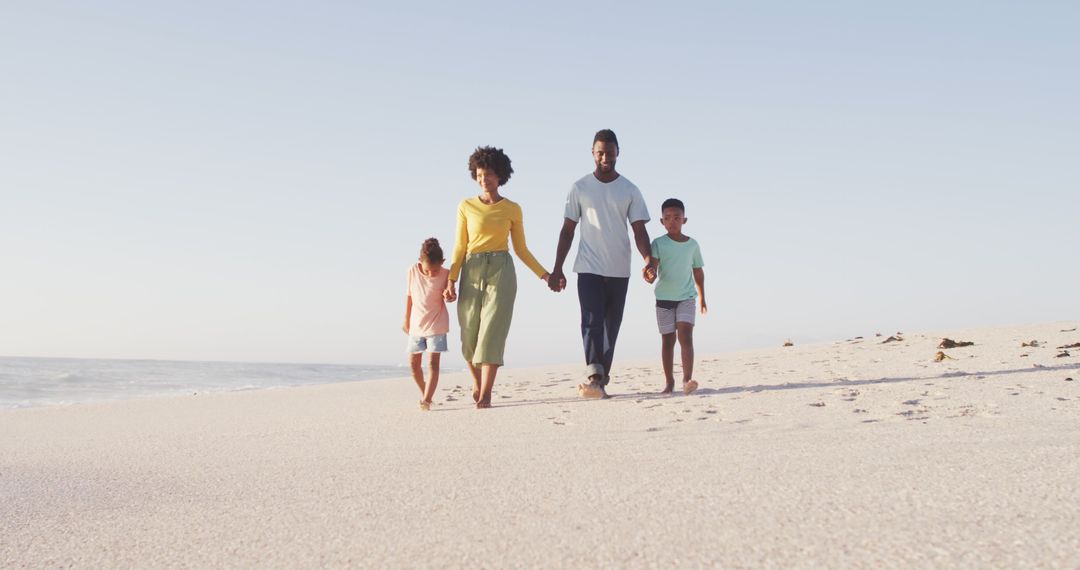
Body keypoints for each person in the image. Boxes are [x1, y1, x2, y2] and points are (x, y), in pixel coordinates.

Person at [548, 129, 654, 399]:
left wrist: (648, 259)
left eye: (609, 152)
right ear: (593, 154)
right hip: (588, 267)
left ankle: (599, 380)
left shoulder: (630, 189)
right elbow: (567, 230)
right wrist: (557, 267)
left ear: (618, 152)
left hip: (619, 269)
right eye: (600, 153)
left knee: (611, 326)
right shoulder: (580, 187)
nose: (605, 157)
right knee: (591, 321)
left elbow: (639, 231)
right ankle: (594, 376)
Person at [444, 146, 550, 409]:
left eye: (489, 174)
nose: (484, 179)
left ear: (500, 175)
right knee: (469, 334)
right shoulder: (465, 206)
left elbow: (522, 249)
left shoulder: (513, 209)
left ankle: (486, 392)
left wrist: (544, 275)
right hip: (471, 269)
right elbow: (459, 246)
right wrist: (451, 279)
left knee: (492, 331)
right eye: (480, 174)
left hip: (501, 270)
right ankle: (477, 382)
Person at [649, 198, 707, 395]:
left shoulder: (693, 245)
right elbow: (653, 266)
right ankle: (669, 382)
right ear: (661, 221)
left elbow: (698, 271)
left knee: (686, 337)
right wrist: (649, 273)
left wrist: (702, 297)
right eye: (667, 218)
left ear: (685, 220)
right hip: (664, 299)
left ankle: (687, 380)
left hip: (687, 298)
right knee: (667, 341)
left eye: (676, 217)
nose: (672, 221)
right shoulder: (658, 243)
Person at [402, 238, 452, 411]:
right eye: (427, 270)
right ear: (420, 262)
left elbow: (450, 295)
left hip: (437, 324)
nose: (431, 274)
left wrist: (449, 295)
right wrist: (406, 320)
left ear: (442, 263)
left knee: (433, 364)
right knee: (414, 365)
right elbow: (409, 297)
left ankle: (426, 401)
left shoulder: (446, 274)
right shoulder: (412, 271)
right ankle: (426, 394)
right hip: (416, 325)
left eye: (435, 270)